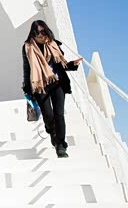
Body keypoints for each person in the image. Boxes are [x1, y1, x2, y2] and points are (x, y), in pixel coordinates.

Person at [22, 20, 83, 158]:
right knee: (48, 115)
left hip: (57, 83)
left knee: (59, 114)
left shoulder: (53, 44)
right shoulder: (27, 47)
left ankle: (60, 145)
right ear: (32, 32)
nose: (40, 34)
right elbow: (27, 68)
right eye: (37, 32)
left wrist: (73, 65)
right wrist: (26, 87)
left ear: (46, 30)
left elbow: (62, 65)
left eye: (42, 31)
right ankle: (52, 132)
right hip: (40, 85)